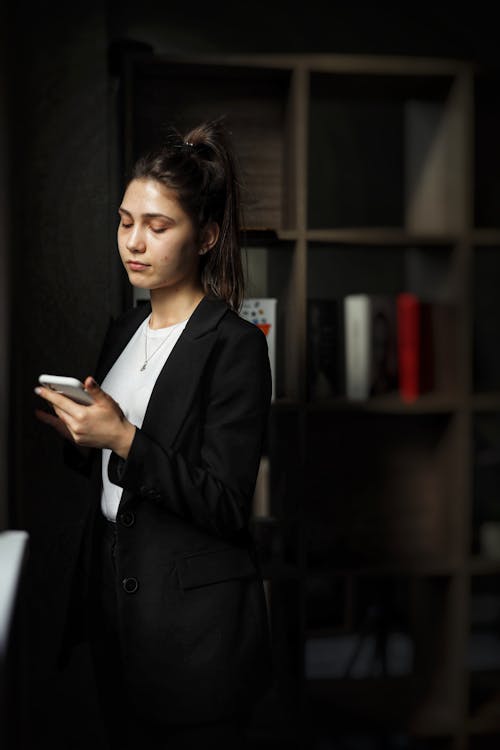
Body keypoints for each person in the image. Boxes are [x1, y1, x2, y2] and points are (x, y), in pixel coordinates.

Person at [34, 117, 273, 749]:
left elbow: (224, 504)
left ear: (207, 236)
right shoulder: (122, 330)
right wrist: (81, 434)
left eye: (158, 226)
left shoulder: (236, 346)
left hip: (194, 633)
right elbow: (122, 481)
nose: (134, 242)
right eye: (125, 221)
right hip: (117, 612)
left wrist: (121, 438)